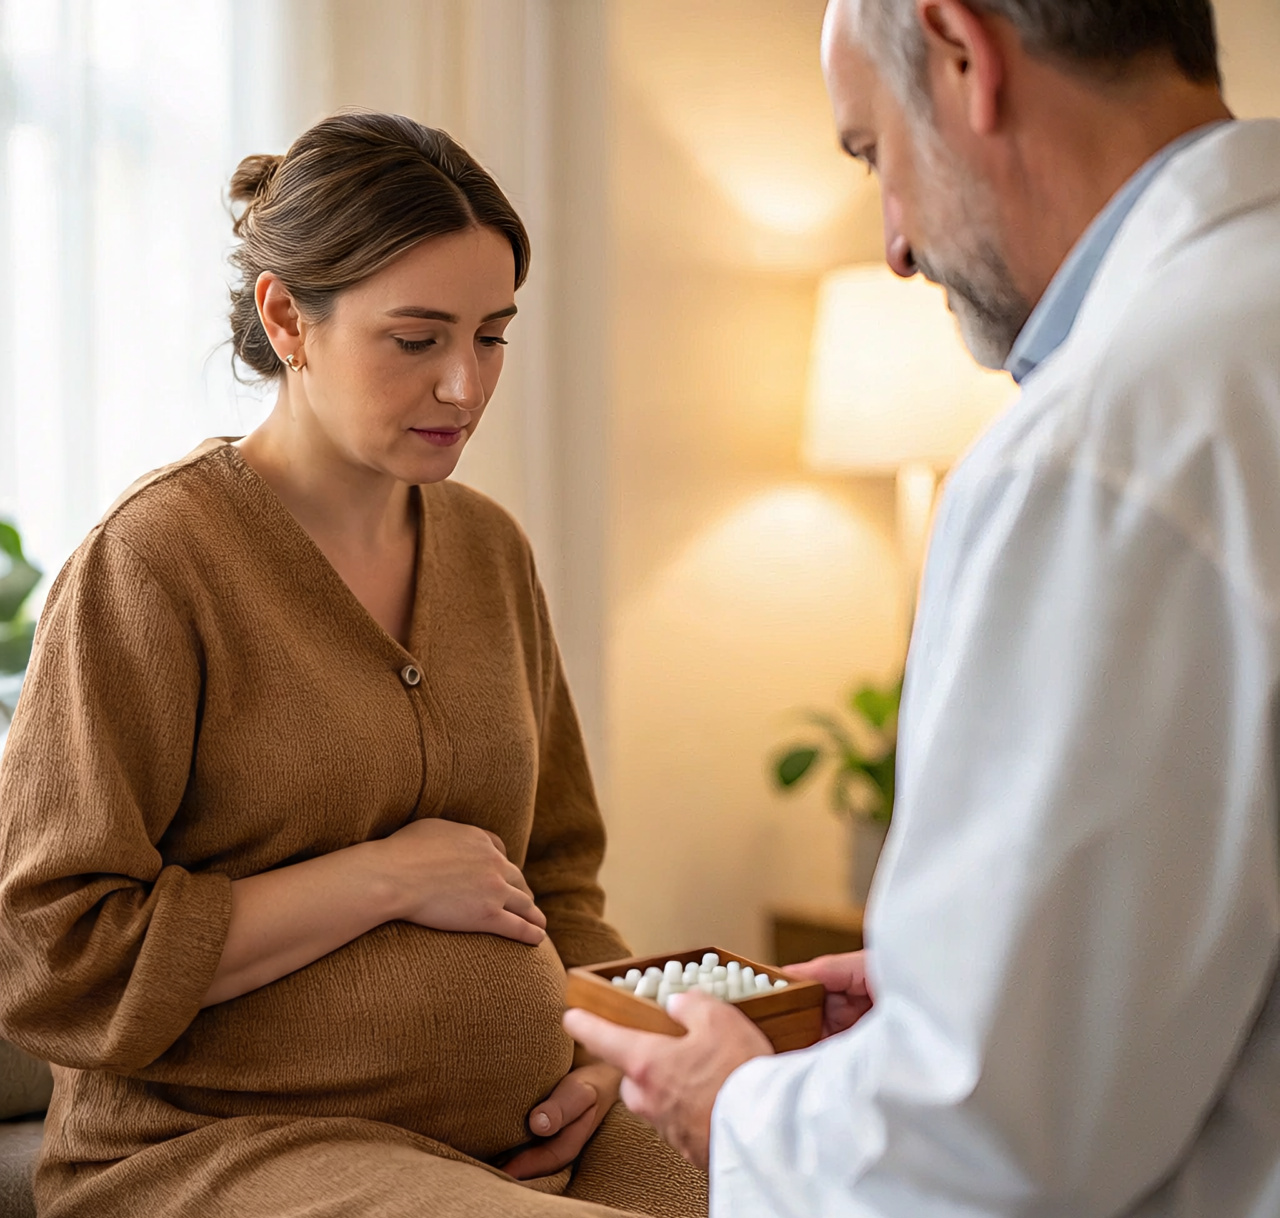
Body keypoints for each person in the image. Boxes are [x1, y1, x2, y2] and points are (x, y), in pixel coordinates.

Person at [566, 2, 1280, 1215]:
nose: (894, 245)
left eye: (869, 154)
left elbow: (972, 1158)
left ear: (963, 53)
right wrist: (962, 985)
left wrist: (731, 1104)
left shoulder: (1097, 452)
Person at [0, 111, 706, 1218]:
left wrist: (614, 1042)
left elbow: (558, 878)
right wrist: (379, 877)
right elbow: (50, 954)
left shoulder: (489, 550)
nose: (465, 387)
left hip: (527, 1137)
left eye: (493, 335)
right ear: (288, 317)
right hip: (220, 1147)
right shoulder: (155, 561)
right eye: (417, 340)